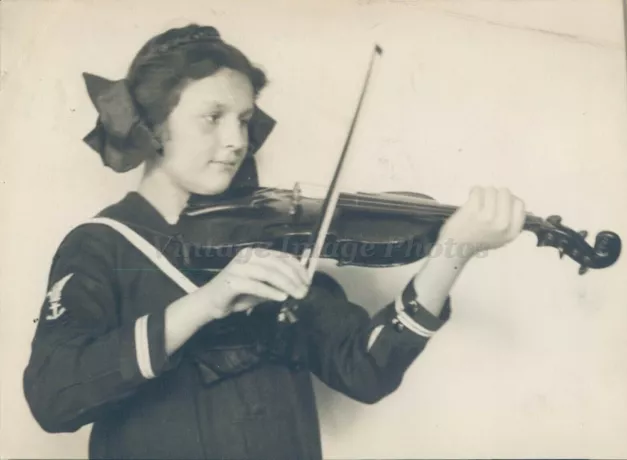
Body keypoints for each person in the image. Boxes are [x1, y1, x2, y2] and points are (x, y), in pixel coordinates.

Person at [23, 23, 526, 460]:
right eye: (212, 116)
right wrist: (204, 304)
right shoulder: (101, 246)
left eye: (243, 119)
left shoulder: (270, 246)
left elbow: (365, 370)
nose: (237, 140)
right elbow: (53, 397)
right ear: (152, 126)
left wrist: (450, 254)